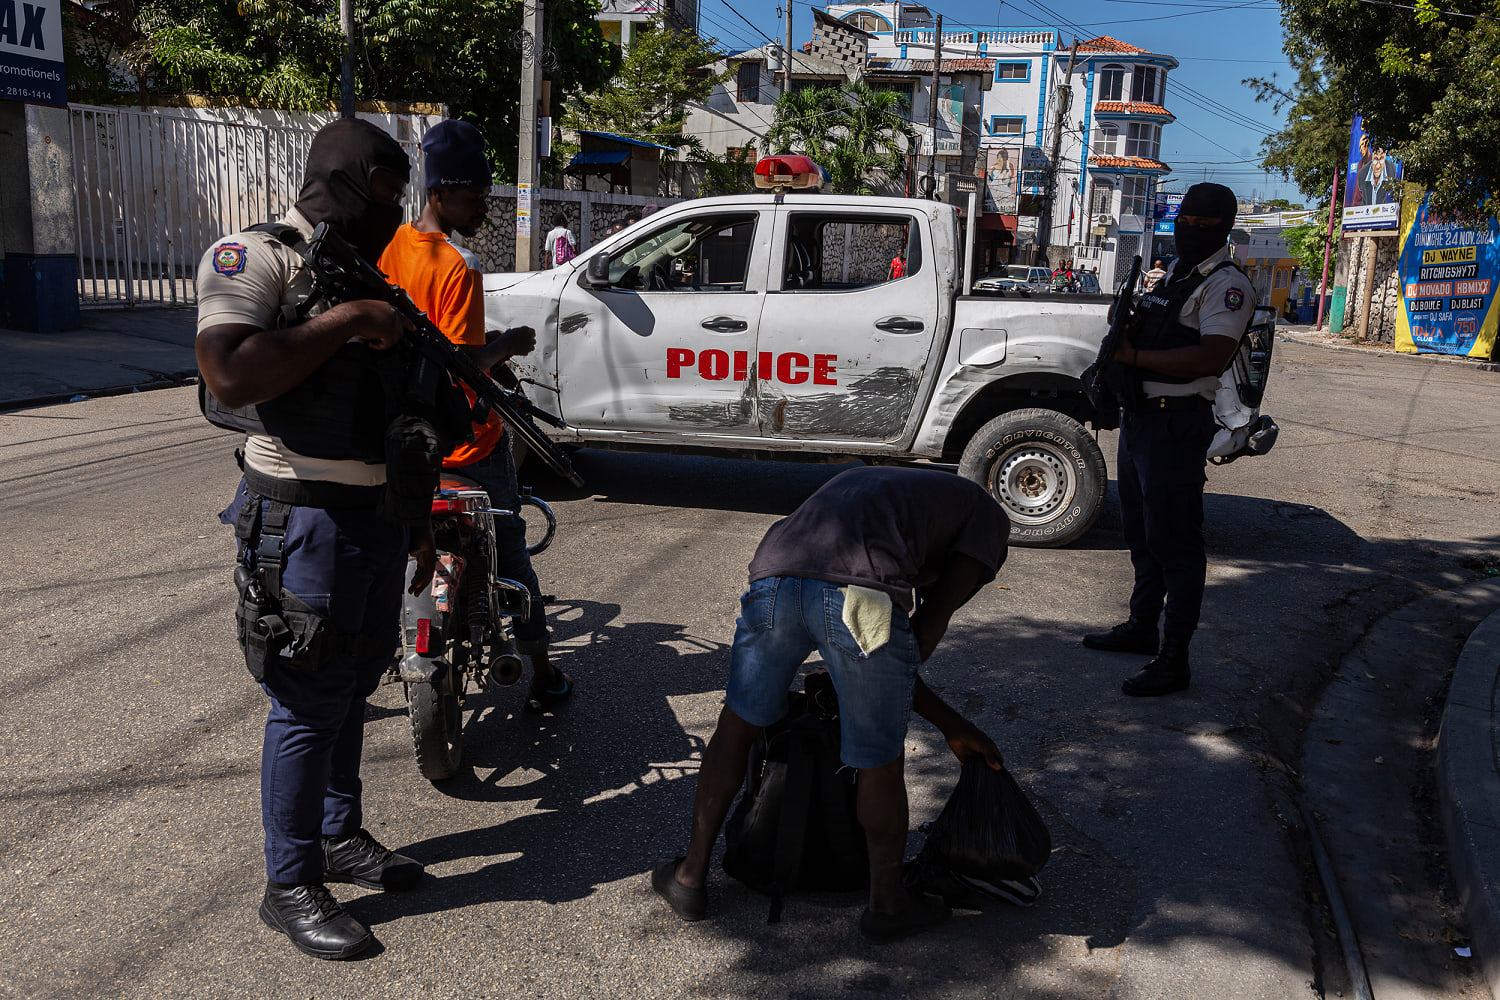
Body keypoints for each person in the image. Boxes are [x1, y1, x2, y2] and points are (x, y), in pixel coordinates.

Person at [195, 118, 430, 960]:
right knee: (306, 698)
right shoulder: (253, 256)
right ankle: (288, 883)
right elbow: (229, 370)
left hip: (371, 516)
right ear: (347, 177)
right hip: (300, 517)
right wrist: (350, 320)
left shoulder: (362, 270)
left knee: (355, 682)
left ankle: (339, 834)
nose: (394, 212)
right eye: (386, 193)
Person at [651, 466, 1010, 943]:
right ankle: (887, 905)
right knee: (879, 758)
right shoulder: (988, 517)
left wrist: (949, 723)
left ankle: (690, 878)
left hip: (774, 578)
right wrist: (952, 722)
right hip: (861, 594)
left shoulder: (890, 491)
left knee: (736, 724)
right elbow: (924, 630)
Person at [378, 119, 572, 714]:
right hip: (468, 444)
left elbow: (420, 338)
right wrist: (509, 343)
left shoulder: (393, 249)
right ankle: (542, 673)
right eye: (473, 198)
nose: (482, 209)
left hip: (409, 442)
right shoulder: (458, 264)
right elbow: (463, 364)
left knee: (393, 548)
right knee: (510, 548)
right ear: (438, 193)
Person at [1082, 182, 1255, 697]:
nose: (1189, 233)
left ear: (1224, 227)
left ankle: (1174, 658)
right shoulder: (1176, 274)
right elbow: (1136, 324)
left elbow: (1209, 358)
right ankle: (1141, 627)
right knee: (1142, 534)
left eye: (1203, 227)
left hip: (1176, 424)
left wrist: (1133, 358)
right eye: (1184, 223)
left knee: (1176, 543)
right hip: (1140, 419)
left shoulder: (1227, 285)